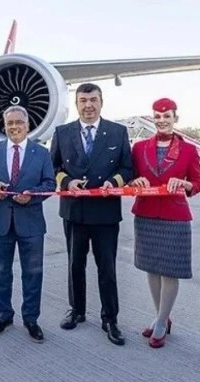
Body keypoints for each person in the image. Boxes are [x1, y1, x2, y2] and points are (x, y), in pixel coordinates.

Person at [50, 83, 133, 346]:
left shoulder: (118, 132)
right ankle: (77, 310)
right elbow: (53, 167)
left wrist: (114, 182)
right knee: (75, 264)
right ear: (76, 104)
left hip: (105, 212)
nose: (88, 105)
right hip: (74, 211)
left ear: (101, 102)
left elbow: (127, 168)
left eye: (93, 100)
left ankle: (110, 318)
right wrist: (67, 182)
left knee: (107, 267)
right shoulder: (62, 132)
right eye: (83, 100)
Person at [0, 105, 56, 343]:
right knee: (1, 272)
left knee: (32, 274)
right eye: (10, 123)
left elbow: (50, 184)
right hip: (0, 222)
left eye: (19, 122)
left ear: (27, 125)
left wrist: (32, 195)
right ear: (5, 126)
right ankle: (4, 315)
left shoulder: (41, 153)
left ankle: (31, 319)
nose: (14, 127)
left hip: (31, 223)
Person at [130, 98, 200, 348]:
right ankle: (161, 315)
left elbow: (198, 183)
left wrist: (185, 184)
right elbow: (131, 177)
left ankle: (161, 322)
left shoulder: (189, 150)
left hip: (175, 217)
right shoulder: (139, 148)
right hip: (146, 214)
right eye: (157, 117)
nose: (162, 121)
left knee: (170, 270)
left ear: (175, 118)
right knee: (151, 268)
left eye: (167, 116)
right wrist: (134, 181)